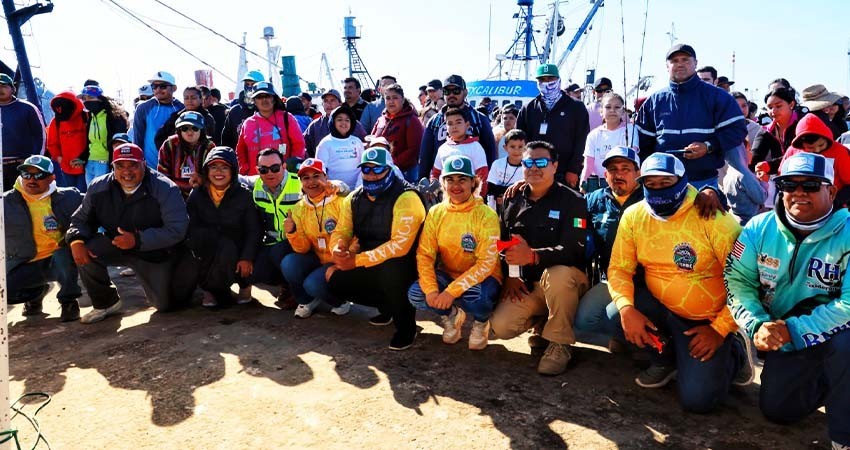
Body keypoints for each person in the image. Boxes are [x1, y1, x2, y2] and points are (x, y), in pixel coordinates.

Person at [607, 152, 753, 412]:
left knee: (699, 401)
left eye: (666, 182)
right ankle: (666, 358)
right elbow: (619, 268)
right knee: (613, 313)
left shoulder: (712, 216)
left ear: (684, 181)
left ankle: (735, 351)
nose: (658, 188)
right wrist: (626, 308)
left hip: (706, 319)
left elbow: (747, 280)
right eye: (651, 183)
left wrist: (720, 329)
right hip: (661, 306)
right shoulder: (633, 215)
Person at [724, 153, 850, 450]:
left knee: (846, 347)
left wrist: (793, 330)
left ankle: (844, 436)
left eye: (810, 185)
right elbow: (736, 280)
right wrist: (757, 325)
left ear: (831, 191)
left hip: (833, 335)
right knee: (779, 411)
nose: (799, 192)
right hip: (786, 337)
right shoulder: (757, 227)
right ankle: (833, 382)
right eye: (789, 184)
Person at [489, 141, 589, 375]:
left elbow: (574, 250)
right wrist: (513, 276)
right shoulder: (513, 199)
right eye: (528, 162)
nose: (534, 168)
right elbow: (506, 242)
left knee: (558, 275)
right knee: (502, 326)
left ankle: (560, 344)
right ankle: (543, 325)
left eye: (541, 162)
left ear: (554, 166)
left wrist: (533, 257)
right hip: (530, 285)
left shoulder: (573, 201)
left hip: (567, 281)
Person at [67, 143, 189, 323]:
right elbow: (80, 220)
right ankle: (106, 302)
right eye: (120, 166)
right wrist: (76, 239)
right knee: (84, 248)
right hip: (116, 244)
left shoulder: (165, 188)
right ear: (112, 167)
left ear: (144, 164)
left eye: (133, 165)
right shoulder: (98, 187)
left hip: (154, 252)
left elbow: (177, 229)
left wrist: (138, 240)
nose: (127, 172)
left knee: (166, 306)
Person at [326, 147, 426, 350]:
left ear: (389, 169)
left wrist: (356, 261)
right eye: (366, 169)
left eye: (377, 169)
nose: (371, 175)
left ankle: (407, 327)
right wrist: (338, 248)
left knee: (392, 271)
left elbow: (400, 246)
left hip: (408, 262)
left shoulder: (407, 197)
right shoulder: (353, 198)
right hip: (370, 258)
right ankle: (387, 308)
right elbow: (342, 230)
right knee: (333, 278)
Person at [408, 155, 501, 350]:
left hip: (484, 278)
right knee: (417, 294)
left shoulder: (486, 215)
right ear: (443, 183)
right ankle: (451, 316)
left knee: (478, 299)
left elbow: (486, 263)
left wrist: (450, 292)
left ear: (473, 183)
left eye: (462, 179)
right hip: (449, 272)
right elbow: (425, 254)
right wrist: (432, 290)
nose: (456, 185)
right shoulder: (436, 212)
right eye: (450, 179)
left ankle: (481, 322)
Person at [634, 44, 752, 193]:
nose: (680, 64)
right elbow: (643, 143)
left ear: (695, 63)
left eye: (685, 59)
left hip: (704, 183)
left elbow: (737, 130)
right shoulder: (654, 101)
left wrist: (708, 146)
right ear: (667, 66)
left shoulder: (718, 97)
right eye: (675, 60)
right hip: (662, 184)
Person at [173, 147, 260, 307]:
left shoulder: (244, 195)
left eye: (224, 167)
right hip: (210, 246)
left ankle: (245, 285)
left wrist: (246, 257)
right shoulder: (197, 194)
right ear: (206, 170)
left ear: (233, 171)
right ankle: (209, 289)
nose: (218, 172)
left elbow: (253, 230)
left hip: (237, 248)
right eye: (213, 167)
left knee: (237, 250)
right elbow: (190, 227)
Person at [4, 155, 83, 321]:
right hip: (25, 262)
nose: (32, 179)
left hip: (58, 260)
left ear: (51, 178)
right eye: (26, 174)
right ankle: (36, 294)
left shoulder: (69, 197)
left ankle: (69, 301)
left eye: (39, 175)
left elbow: (95, 207)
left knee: (63, 254)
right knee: (6, 292)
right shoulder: (5, 203)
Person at [280, 158, 351, 318]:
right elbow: (302, 248)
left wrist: (342, 261)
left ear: (326, 178)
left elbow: (354, 236)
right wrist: (292, 232)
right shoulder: (299, 208)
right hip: (318, 259)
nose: (312, 182)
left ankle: (340, 301)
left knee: (312, 284)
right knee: (289, 263)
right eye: (306, 178)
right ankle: (307, 300)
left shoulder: (341, 201)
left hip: (340, 260)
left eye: (316, 176)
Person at [246, 148, 302, 308]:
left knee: (280, 254)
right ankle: (286, 284)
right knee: (255, 271)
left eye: (275, 168)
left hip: (299, 243)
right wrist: (203, 178)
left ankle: (299, 292)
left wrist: (338, 185)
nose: (269, 173)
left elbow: (326, 182)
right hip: (273, 242)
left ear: (284, 166)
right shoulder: (256, 185)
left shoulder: (299, 183)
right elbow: (234, 177)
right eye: (263, 169)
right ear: (258, 171)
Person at [516, 64, 589, 189]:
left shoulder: (576, 107)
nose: (546, 83)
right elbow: (520, 140)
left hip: (565, 173)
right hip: (535, 171)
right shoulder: (528, 108)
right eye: (542, 80)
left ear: (559, 80)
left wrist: (574, 169)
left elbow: (582, 140)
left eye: (550, 79)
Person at [419, 75, 497, 179]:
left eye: (456, 91)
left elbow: (490, 154)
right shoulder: (434, 122)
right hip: (443, 185)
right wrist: (422, 181)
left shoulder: (479, 119)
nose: (451, 95)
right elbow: (425, 157)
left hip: (472, 186)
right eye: (447, 91)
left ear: (465, 92)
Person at [779, 114, 850, 206]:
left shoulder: (839, 151)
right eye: (810, 147)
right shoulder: (793, 151)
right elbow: (783, 175)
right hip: (800, 201)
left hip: (833, 203)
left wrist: (837, 201)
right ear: (801, 144)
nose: (817, 150)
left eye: (821, 145)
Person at [236, 82, 305, 175]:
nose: (264, 100)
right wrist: (245, 169)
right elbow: (240, 150)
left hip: (284, 177)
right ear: (254, 101)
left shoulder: (287, 118)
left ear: (274, 99)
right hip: (255, 179)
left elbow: (299, 144)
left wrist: (292, 167)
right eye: (260, 97)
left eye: (267, 96)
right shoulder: (248, 123)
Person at [580, 92, 634, 193]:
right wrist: (583, 181)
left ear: (623, 112)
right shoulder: (593, 135)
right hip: (595, 184)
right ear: (601, 112)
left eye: (617, 107)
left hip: (621, 181)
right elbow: (588, 163)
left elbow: (633, 157)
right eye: (608, 107)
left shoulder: (630, 130)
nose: (612, 110)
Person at [0, 73, 46, 191]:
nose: (0, 89)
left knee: (23, 202)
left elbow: (40, 136)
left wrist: (34, 162)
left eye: (4, 86)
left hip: (21, 167)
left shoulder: (27, 108)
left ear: (13, 88)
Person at [371, 83, 424, 183]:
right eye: (388, 98)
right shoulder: (381, 120)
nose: (391, 101)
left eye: (395, 97)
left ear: (403, 100)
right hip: (379, 172)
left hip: (406, 174)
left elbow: (414, 149)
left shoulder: (412, 120)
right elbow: (372, 141)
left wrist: (391, 164)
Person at [156, 111, 217, 198]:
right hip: (173, 194)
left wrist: (202, 180)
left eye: (195, 128)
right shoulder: (169, 144)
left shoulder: (209, 147)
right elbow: (162, 174)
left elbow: (214, 176)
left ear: (202, 130)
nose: (190, 132)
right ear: (179, 130)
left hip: (203, 195)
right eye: (184, 128)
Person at [431, 108, 489, 195]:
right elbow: (435, 174)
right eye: (450, 124)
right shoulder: (443, 148)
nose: (454, 126)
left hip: (470, 198)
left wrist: (479, 197)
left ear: (467, 125)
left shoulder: (475, 147)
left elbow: (482, 175)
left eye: (458, 122)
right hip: (446, 199)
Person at [133, 71, 184, 169]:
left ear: (174, 88)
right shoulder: (143, 108)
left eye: (163, 86)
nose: (158, 89)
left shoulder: (182, 108)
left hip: (176, 167)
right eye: (154, 86)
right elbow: (137, 139)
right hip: (150, 168)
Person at [80, 84, 128, 185]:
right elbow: (89, 141)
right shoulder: (91, 117)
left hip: (104, 161)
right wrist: (82, 158)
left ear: (100, 99)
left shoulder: (113, 116)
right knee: (91, 194)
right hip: (90, 161)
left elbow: (118, 140)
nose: (86, 101)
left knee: (101, 194)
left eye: (91, 97)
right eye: (84, 98)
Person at [752, 87, 805, 175]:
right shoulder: (766, 131)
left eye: (778, 106)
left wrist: (769, 166)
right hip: (780, 180)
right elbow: (754, 159)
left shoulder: (802, 123)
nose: (773, 111)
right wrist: (759, 169)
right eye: (770, 107)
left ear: (791, 104)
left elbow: (800, 155)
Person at [303, 89, 367, 157]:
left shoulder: (354, 124)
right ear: (322, 104)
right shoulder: (314, 126)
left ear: (340, 103)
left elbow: (365, 143)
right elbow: (304, 145)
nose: (329, 104)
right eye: (325, 101)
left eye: (332, 100)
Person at [46, 90, 88, 191]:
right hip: (66, 169)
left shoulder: (85, 116)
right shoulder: (56, 121)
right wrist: (60, 159)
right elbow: (51, 143)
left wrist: (85, 158)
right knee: (69, 199)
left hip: (86, 167)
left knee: (85, 198)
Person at [153, 86, 216, 150]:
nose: (189, 101)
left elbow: (211, 140)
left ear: (201, 100)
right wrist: (169, 153)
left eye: (193, 98)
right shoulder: (176, 116)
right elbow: (159, 137)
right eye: (186, 98)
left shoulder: (207, 118)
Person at [316, 105, 364, 188]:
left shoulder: (357, 141)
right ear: (332, 121)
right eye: (339, 119)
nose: (343, 123)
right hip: (334, 190)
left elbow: (363, 166)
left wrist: (359, 187)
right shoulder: (325, 143)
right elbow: (320, 170)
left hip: (357, 189)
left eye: (347, 120)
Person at [221, 71, 264, 148]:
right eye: (247, 84)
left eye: (253, 84)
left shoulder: (268, 110)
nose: (250, 88)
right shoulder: (235, 112)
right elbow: (226, 141)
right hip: (240, 158)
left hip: (267, 157)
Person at [486, 129, 526, 210]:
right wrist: (501, 195)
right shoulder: (497, 164)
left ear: (525, 147)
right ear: (505, 147)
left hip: (518, 206)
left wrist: (506, 196)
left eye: (520, 146)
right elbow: (490, 187)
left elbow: (525, 189)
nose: (516, 150)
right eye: (512, 146)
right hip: (496, 205)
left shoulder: (528, 166)